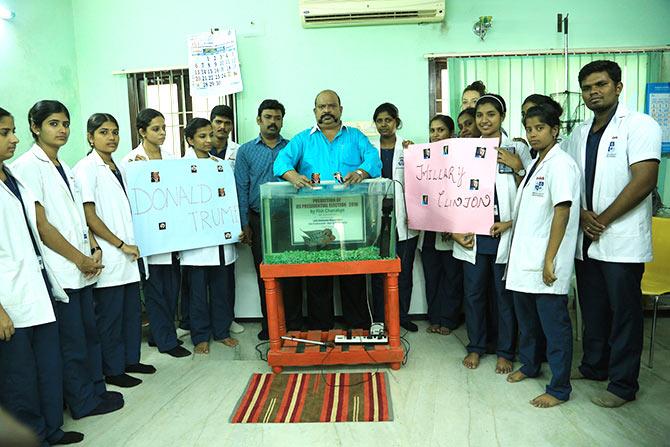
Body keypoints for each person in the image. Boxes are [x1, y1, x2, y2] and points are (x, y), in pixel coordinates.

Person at [11, 100, 124, 420]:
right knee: (72, 341)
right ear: (35, 127)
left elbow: (77, 217)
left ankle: (95, 390)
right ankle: (82, 401)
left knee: (89, 333)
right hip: (62, 269)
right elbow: (43, 227)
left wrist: (92, 250)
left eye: (65, 124)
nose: (62, 130)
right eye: (53, 124)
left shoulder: (64, 167)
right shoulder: (27, 168)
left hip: (82, 266)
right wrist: (80, 258)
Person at [564, 60, 661, 407]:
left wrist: (601, 219)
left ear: (618, 87)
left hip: (619, 238)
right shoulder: (577, 134)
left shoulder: (640, 125)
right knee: (593, 309)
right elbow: (568, 178)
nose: (594, 92)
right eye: (588, 87)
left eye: (601, 85)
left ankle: (622, 385)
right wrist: (582, 216)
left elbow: (645, 180)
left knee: (625, 313)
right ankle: (594, 366)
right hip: (586, 236)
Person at [0, 106, 90, 445]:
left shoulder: (14, 177)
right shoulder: (23, 170)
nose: (14, 138)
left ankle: (51, 429)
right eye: (5, 133)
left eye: (12, 131)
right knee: (19, 378)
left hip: (39, 289)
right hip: (9, 297)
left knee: (48, 368)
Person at [273, 89, 381, 330]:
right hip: (314, 217)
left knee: (353, 272)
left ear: (340, 109)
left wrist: (362, 172)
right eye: (321, 107)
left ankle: (358, 326)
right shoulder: (303, 139)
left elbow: (374, 159)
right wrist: (292, 176)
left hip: (351, 217)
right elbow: (281, 162)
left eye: (331, 106)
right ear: (315, 112)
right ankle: (320, 328)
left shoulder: (356, 137)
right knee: (317, 275)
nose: (327, 111)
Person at [505, 101, 580, 408]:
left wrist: (549, 259)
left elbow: (562, 211)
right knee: (529, 321)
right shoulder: (538, 162)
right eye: (529, 129)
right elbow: (531, 211)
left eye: (539, 129)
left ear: (554, 130)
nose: (533, 135)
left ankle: (560, 387)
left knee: (555, 325)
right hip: (524, 260)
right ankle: (531, 365)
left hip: (545, 260)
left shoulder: (561, 164)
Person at [74, 113, 156, 389]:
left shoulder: (117, 166)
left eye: (115, 132)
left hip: (128, 254)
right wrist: (120, 244)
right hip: (110, 253)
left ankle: (131, 360)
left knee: (131, 312)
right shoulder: (86, 168)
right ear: (90, 137)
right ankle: (112, 369)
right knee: (110, 316)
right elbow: (89, 214)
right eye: (104, 132)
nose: (111, 137)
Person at [452, 94, 531, 374]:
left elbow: (532, 193)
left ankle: (505, 350)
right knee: (473, 294)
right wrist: (454, 230)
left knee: (503, 296)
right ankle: (476, 346)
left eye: (491, 115)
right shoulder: (465, 150)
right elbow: (451, 193)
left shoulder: (518, 149)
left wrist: (517, 166)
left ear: (503, 116)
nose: (484, 120)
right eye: (480, 116)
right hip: (474, 236)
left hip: (504, 233)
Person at [120, 108, 191, 358]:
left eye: (164, 128)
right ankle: (166, 342)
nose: (162, 133)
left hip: (171, 235)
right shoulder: (130, 162)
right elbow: (129, 201)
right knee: (155, 289)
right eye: (155, 129)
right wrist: (139, 175)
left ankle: (159, 334)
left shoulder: (171, 158)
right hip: (148, 237)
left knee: (172, 287)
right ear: (142, 131)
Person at [235, 99, 302, 340]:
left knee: (292, 271)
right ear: (258, 120)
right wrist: (244, 223)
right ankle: (271, 324)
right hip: (258, 219)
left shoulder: (293, 147)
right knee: (266, 273)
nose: (272, 122)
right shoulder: (246, 151)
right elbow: (241, 188)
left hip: (289, 218)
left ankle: (294, 324)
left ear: (282, 120)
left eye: (277, 117)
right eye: (268, 117)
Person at [179, 118, 238, 354]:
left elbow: (229, 199)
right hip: (195, 241)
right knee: (197, 292)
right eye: (202, 136)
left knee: (222, 288)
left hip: (220, 237)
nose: (208, 140)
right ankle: (200, 335)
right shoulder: (178, 166)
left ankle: (222, 331)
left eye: (210, 135)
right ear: (190, 140)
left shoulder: (220, 165)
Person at [370, 103, 420, 332]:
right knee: (379, 272)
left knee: (404, 271)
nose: (383, 125)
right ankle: (379, 318)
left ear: (396, 122)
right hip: (378, 219)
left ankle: (401, 316)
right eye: (379, 120)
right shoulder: (369, 150)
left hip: (405, 219)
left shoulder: (409, 148)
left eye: (388, 120)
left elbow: (420, 185)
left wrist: (417, 213)